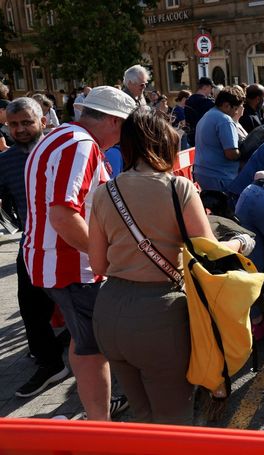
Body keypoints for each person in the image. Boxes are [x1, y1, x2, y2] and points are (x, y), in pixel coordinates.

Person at [89, 106, 244, 424]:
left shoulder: (105, 193)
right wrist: (240, 243)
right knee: (174, 419)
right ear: (162, 144)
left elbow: (97, 263)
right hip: (159, 315)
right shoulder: (179, 188)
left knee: (143, 414)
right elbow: (207, 253)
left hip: (108, 312)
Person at [23, 86, 136, 420]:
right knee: (92, 348)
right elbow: (63, 215)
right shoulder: (81, 145)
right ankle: (99, 425)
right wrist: (106, 257)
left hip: (53, 262)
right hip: (72, 266)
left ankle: (95, 411)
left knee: (83, 340)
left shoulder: (59, 136)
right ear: (114, 122)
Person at [0, 98, 68, 398]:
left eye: (27, 122)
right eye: (14, 124)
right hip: (31, 243)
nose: (20, 129)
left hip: (71, 242)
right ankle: (50, 363)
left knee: (80, 305)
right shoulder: (6, 161)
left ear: (43, 121)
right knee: (30, 307)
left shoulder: (62, 151)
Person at [193, 85, 244, 193]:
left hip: (203, 173)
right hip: (220, 175)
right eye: (235, 109)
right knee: (229, 208)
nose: (236, 112)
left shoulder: (207, 115)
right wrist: (244, 151)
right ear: (226, 105)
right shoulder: (225, 120)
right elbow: (231, 153)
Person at [185, 77, 216, 147]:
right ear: (205, 87)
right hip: (204, 138)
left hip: (191, 136)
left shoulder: (188, 100)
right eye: (211, 88)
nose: (211, 91)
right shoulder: (207, 103)